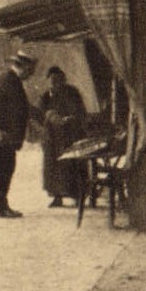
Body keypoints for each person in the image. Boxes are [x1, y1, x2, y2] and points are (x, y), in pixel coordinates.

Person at [0, 49, 37, 218]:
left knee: (6, 167)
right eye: (30, 71)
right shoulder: (6, 79)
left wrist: (43, 117)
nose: (31, 76)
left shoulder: (13, 80)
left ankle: (1, 206)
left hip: (2, 135)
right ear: (23, 67)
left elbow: (24, 107)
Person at [38, 64, 89, 207]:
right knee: (53, 166)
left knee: (73, 165)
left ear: (63, 79)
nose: (55, 83)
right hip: (52, 137)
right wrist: (49, 116)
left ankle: (78, 195)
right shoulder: (46, 96)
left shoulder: (72, 92)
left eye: (58, 80)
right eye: (52, 81)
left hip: (70, 134)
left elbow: (79, 111)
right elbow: (40, 114)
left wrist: (69, 118)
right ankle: (57, 196)